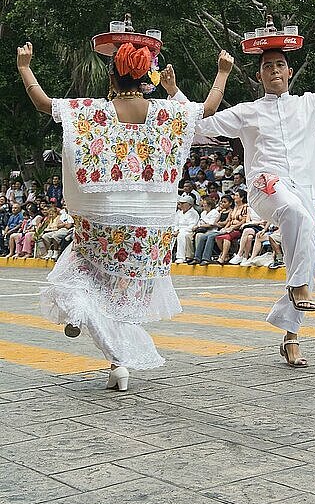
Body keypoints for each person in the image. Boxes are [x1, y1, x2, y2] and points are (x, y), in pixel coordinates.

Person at [17, 36, 233, 391]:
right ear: (146, 78)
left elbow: (43, 103)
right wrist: (222, 72)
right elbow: (208, 107)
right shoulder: (167, 112)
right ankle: (117, 362)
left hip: (102, 219)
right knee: (120, 298)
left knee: (79, 267)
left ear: (112, 79)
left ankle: (78, 312)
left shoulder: (93, 110)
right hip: (148, 229)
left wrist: (25, 67)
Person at [163, 34, 315, 367]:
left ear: (289, 71)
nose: (274, 70)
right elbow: (200, 127)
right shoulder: (247, 112)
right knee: (293, 214)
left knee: (310, 257)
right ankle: (296, 285)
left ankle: (291, 338)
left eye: (280, 65)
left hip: (302, 189)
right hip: (265, 186)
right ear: (259, 76)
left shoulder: (310, 105)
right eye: (267, 66)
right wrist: (174, 92)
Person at [189, 193, 233, 265]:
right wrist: (218, 224)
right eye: (222, 202)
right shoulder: (221, 211)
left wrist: (219, 224)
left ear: (230, 203)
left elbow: (226, 222)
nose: (222, 203)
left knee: (210, 236)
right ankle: (197, 258)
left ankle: (206, 258)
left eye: (225, 202)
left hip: (224, 229)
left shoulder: (231, 211)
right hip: (219, 229)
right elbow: (215, 222)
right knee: (203, 236)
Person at [215, 189, 248, 264]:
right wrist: (226, 228)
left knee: (226, 238)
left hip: (238, 229)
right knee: (218, 238)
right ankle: (226, 255)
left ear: (242, 198)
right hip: (231, 228)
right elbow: (229, 221)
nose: (234, 197)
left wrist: (233, 227)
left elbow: (244, 220)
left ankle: (223, 257)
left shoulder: (245, 207)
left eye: (236, 195)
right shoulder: (234, 208)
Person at [174, 194, 200, 263]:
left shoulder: (194, 213)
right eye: (180, 203)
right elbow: (176, 223)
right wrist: (176, 230)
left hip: (188, 231)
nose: (181, 205)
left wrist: (179, 231)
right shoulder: (179, 212)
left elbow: (192, 226)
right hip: (179, 230)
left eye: (183, 203)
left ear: (189, 204)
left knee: (181, 235)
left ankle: (181, 257)